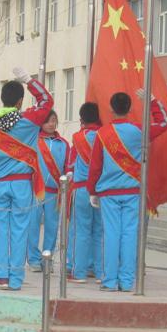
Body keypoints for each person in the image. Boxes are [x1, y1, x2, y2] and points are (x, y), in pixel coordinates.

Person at [0, 67, 53, 290]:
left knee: (0, 230)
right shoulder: (29, 120)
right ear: (20, 101)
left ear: (2, 99)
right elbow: (47, 101)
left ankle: (0, 276)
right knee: (20, 230)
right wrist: (29, 80)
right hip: (21, 184)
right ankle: (16, 279)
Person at [87, 91, 167, 292]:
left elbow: (95, 166)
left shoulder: (102, 134)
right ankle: (126, 281)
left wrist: (92, 190)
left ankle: (109, 281)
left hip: (108, 192)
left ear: (111, 109)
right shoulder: (139, 130)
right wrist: (152, 101)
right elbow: (164, 123)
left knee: (111, 234)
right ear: (130, 108)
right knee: (130, 234)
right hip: (132, 191)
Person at [27, 110, 69, 272]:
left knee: (52, 226)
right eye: (47, 121)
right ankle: (33, 259)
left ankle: (47, 258)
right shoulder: (33, 141)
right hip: (36, 190)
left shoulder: (63, 144)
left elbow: (67, 166)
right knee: (33, 225)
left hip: (54, 192)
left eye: (53, 120)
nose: (51, 124)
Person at [66, 102, 103, 283]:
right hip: (102, 190)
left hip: (82, 188)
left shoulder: (78, 137)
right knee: (100, 232)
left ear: (82, 119)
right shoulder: (105, 136)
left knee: (81, 231)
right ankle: (100, 272)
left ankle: (79, 272)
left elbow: (71, 164)